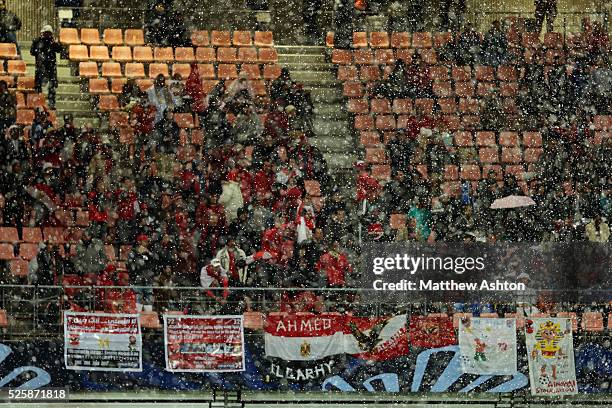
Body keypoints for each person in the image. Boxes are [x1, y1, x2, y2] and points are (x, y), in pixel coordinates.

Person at [30, 25, 62, 109]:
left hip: (51, 67)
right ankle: (38, 103)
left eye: (49, 33)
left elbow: (59, 50)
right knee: (38, 86)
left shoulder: (52, 41)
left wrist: (55, 42)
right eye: (46, 33)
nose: (47, 35)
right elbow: (32, 52)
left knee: (52, 87)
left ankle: (51, 103)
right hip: (41, 67)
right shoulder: (37, 41)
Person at [127, 234, 156, 311]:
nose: (146, 243)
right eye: (144, 241)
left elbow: (155, 263)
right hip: (137, 278)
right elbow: (129, 265)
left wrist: (148, 254)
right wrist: (138, 257)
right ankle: (137, 316)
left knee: (149, 297)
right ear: (139, 242)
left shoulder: (149, 253)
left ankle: (148, 318)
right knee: (137, 296)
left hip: (148, 278)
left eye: (146, 241)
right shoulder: (133, 252)